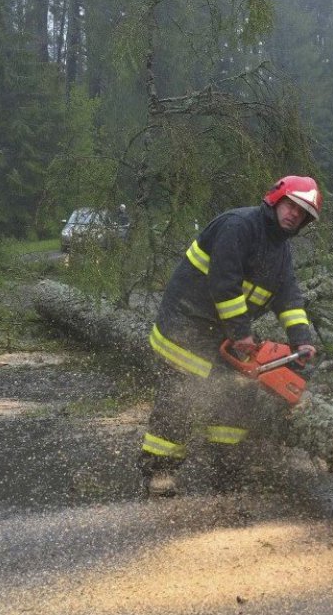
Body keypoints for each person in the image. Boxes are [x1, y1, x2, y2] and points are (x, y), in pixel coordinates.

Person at [138, 175, 322, 497]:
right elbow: (224, 284)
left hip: (221, 335)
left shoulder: (281, 251)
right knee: (181, 400)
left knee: (235, 401)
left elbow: (289, 297)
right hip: (186, 327)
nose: (294, 214)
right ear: (276, 199)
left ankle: (227, 477)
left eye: (302, 212)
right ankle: (159, 475)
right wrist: (240, 333)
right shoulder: (239, 226)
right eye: (291, 205)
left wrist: (301, 339)